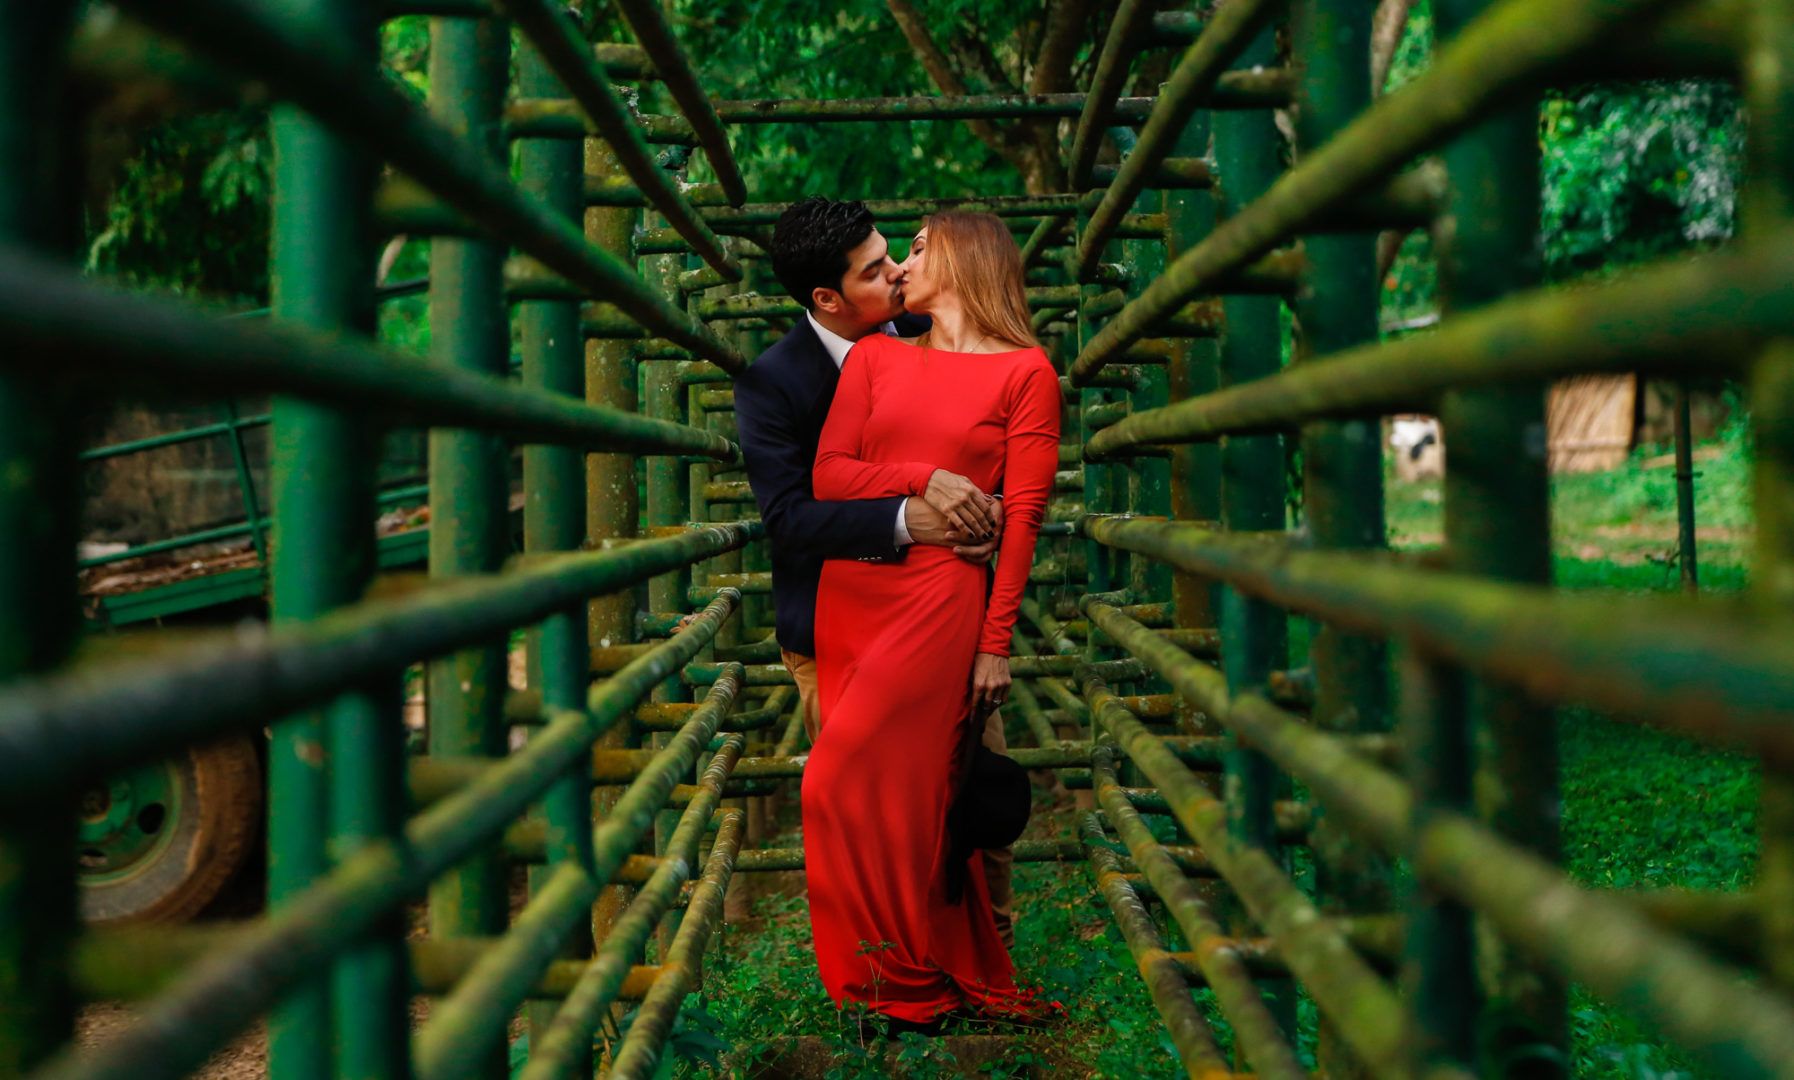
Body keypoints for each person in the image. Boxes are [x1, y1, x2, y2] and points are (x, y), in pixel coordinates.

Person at [731, 198, 1020, 952]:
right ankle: (887, 972)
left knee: (975, 790)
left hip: (946, 616)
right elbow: (789, 519)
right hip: (837, 630)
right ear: (826, 298)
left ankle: (992, 964)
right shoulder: (773, 384)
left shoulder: (936, 333)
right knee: (869, 812)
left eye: (894, 254)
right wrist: (904, 516)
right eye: (874, 270)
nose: (897, 273)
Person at [801, 211, 1063, 1034]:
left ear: (964, 258)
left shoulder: (1027, 373)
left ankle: (893, 984)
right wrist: (930, 478)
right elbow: (831, 474)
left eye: (915, 248)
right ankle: (902, 978)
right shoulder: (876, 358)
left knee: (835, 783)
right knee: (889, 798)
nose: (899, 265)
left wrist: (995, 647)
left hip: (941, 599)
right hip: (853, 597)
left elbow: (1022, 518)